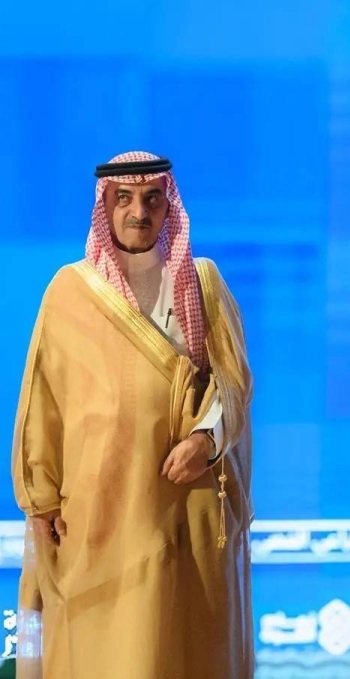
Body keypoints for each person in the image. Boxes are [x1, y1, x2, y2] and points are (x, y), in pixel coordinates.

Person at [11, 152, 255, 678]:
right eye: (123, 199)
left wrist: (206, 441)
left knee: (183, 646)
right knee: (108, 649)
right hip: (100, 513)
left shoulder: (203, 283)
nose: (138, 212)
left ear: (169, 206)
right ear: (105, 206)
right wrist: (41, 499)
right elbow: (43, 404)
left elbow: (233, 384)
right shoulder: (69, 291)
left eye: (152, 199)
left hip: (183, 507)